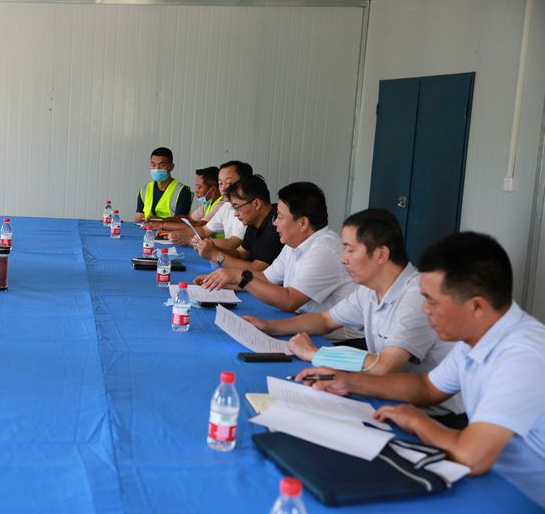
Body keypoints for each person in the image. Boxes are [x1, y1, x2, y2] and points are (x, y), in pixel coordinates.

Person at [296, 232, 545, 507]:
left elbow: (472, 457)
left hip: (522, 497)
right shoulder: (481, 334)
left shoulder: (522, 358)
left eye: (432, 301)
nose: (425, 309)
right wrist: (349, 381)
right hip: (494, 479)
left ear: (476, 306)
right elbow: (428, 387)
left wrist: (417, 421)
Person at [243, 209, 454, 376]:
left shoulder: (416, 296)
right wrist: (270, 327)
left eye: (350, 250)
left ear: (381, 254)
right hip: (393, 392)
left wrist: (315, 354)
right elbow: (325, 320)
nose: (343, 259)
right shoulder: (369, 290)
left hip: (433, 412)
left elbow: (385, 365)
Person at [194, 182, 358, 341]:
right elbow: (266, 278)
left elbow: (290, 300)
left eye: (279, 216)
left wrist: (240, 276)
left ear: (302, 223)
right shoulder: (294, 243)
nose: (275, 222)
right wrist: (223, 281)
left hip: (336, 342)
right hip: (304, 326)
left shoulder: (323, 250)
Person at [191, 175, 281, 272]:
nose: (235, 214)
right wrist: (214, 248)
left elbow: (257, 269)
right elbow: (241, 254)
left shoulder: (276, 225)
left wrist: (215, 255)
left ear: (257, 204)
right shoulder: (254, 221)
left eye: (237, 207)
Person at [167, 160, 251, 250]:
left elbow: (232, 243)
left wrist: (191, 241)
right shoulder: (226, 206)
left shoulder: (247, 209)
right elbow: (204, 230)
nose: (223, 188)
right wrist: (180, 233)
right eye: (220, 183)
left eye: (229, 183)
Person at [134, 147, 192, 222]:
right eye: (153, 165)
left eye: (162, 165)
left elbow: (181, 221)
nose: (157, 169)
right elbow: (139, 219)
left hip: (170, 229)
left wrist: (161, 221)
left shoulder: (182, 191)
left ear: (171, 167)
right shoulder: (144, 190)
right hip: (146, 228)